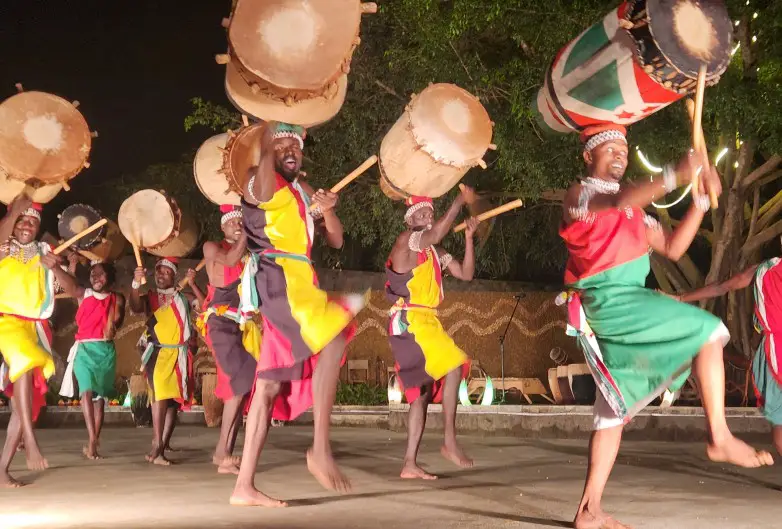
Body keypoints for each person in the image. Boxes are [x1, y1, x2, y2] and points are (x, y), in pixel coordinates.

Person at [558, 124, 773, 529]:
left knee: (611, 412)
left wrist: (700, 204)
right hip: (610, 302)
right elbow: (620, 195)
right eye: (609, 147)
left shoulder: (634, 212)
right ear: (588, 156)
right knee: (708, 331)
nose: (620, 153)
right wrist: (675, 173)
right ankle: (720, 437)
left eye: (624, 146)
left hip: (627, 303)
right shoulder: (581, 196)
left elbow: (673, 248)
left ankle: (589, 511)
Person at [231, 122, 367, 507]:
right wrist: (265, 130)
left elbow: (336, 240)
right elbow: (260, 169)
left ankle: (243, 486)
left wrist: (328, 210)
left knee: (268, 388)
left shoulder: (299, 191)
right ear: (268, 149)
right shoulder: (258, 181)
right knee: (335, 334)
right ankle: (320, 450)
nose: (291, 147)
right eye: (282, 141)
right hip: (280, 282)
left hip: (301, 282)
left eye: (297, 142)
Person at [385, 192, 480, 479]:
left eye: (429, 213)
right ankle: (449, 441)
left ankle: (409, 464)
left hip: (426, 322)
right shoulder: (407, 241)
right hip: (409, 321)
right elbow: (437, 232)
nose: (427, 218)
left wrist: (468, 239)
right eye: (421, 214)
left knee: (421, 395)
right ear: (409, 219)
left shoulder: (434, 254)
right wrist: (458, 203)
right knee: (454, 364)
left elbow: (464, 274)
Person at [0, 197, 79, 487]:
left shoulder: (46, 251)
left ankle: (1, 469)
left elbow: (74, 289)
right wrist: (15, 210)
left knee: (25, 402)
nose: (26, 225)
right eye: (22, 219)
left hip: (35, 329)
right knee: (24, 360)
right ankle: (31, 442)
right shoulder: (3, 246)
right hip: (5, 323)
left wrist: (56, 267)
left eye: (32, 221)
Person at [674, 252, 782, 457]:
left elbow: (722, 287)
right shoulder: (765, 269)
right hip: (774, 349)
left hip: (775, 353)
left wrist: (681, 298)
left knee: (780, 420)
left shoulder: (765, 269)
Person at [197, 204, 260, 475]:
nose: (237, 225)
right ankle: (222, 452)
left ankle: (225, 455)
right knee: (240, 381)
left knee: (242, 385)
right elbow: (231, 260)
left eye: (241, 221)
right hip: (219, 322)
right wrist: (248, 233)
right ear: (223, 227)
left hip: (238, 325)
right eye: (233, 222)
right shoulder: (212, 248)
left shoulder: (249, 256)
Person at [129, 256, 196, 466]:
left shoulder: (183, 296)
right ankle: (156, 445)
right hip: (157, 353)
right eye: (159, 271)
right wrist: (134, 283)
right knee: (159, 396)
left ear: (174, 275)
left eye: (166, 272)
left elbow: (202, 304)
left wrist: (192, 282)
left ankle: (163, 444)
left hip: (179, 354)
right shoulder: (150, 297)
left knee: (171, 404)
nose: (161, 275)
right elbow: (135, 305)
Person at [60, 260, 126, 460]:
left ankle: (94, 440)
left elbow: (118, 322)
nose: (96, 278)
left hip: (105, 351)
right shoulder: (84, 294)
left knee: (99, 400)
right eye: (92, 274)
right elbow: (70, 284)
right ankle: (91, 440)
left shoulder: (117, 298)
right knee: (86, 392)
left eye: (101, 273)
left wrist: (113, 325)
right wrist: (63, 266)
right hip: (85, 349)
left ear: (110, 277)